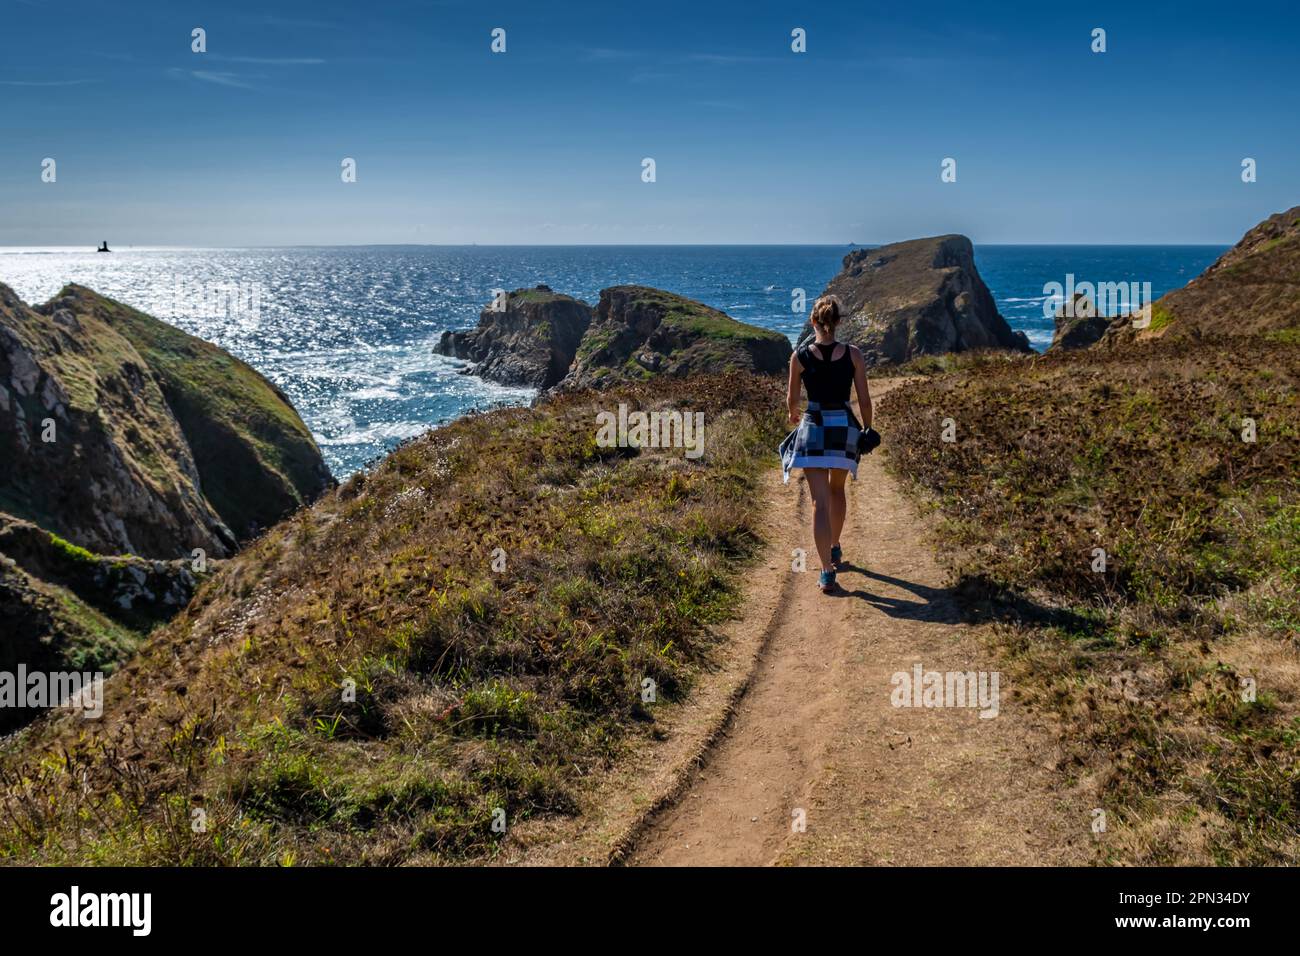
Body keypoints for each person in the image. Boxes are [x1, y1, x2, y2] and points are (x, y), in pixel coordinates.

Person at [784, 295, 872, 593]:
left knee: (819, 502)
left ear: (813, 322)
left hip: (813, 429)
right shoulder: (854, 354)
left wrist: (794, 414)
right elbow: (864, 399)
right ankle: (835, 545)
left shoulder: (799, 357)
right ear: (838, 322)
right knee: (838, 491)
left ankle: (825, 571)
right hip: (844, 429)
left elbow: (793, 401)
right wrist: (869, 428)